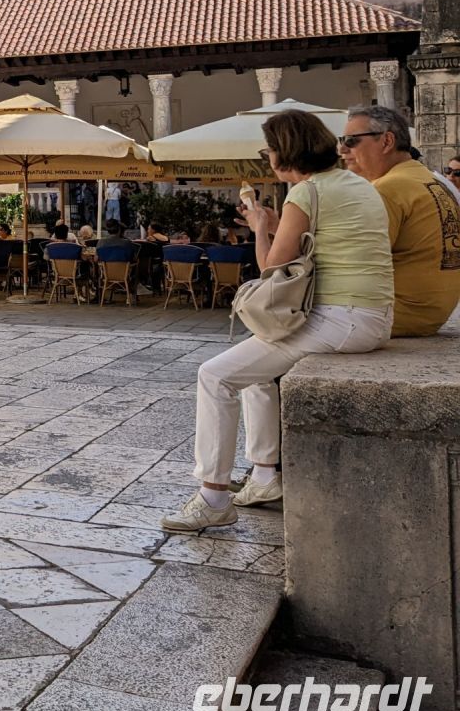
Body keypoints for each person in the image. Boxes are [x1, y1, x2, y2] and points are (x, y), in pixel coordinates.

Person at [162, 110, 393, 534]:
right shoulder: (358, 185)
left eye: (268, 149)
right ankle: (265, 475)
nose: (266, 157)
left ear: (283, 153)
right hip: (374, 315)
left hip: (341, 319)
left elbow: (271, 266)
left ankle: (213, 496)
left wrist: (259, 227)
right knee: (257, 373)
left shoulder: (305, 194)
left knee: (214, 375)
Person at [338, 104, 460, 336]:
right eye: (341, 139)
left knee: (282, 316)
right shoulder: (430, 180)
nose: (342, 149)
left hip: (397, 313)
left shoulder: (388, 188)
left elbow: (357, 264)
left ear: (387, 141)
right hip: (433, 312)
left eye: (351, 140)